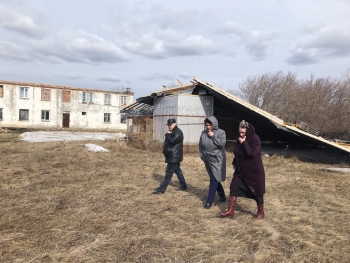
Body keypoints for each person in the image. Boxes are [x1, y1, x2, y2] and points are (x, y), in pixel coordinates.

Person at [219, 120, 266, 219]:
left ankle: (261, 212)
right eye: (240, 132)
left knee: (257, 192)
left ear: (248, 131)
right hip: (241, 171)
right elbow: (237, 152)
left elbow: (251, 153)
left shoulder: (255, 139)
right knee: (233, 187)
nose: (241, 134)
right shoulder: (240, 138)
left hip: (254, 172)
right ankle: (230, 210)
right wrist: (235, 162)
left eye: (243, 132)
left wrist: (244, 143)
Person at [199, 116, 227, 209]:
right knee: (214, 177)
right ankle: (222, 196)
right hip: (207, 158)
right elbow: (201, 145)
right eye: (206, 125)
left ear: (214, 124)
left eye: (210, 125)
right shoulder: (203, 133)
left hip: (217, 159)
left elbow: (222, 143)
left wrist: (213, 136)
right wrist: (202, 155)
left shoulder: (221, 132)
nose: (208, 127)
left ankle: (209, 201)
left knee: (213, 179)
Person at [154, 118, 188, 193]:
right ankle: (183, 185)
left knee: (168, 173)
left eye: (170, 125)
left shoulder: (178, 132)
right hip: (172, 156)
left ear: (174, 124)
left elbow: (172, 140)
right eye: (168, 125)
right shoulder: (173, 132)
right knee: (178, 171)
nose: (169, 126)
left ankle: (162, 189)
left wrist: (167, 135)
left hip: (174, 157)